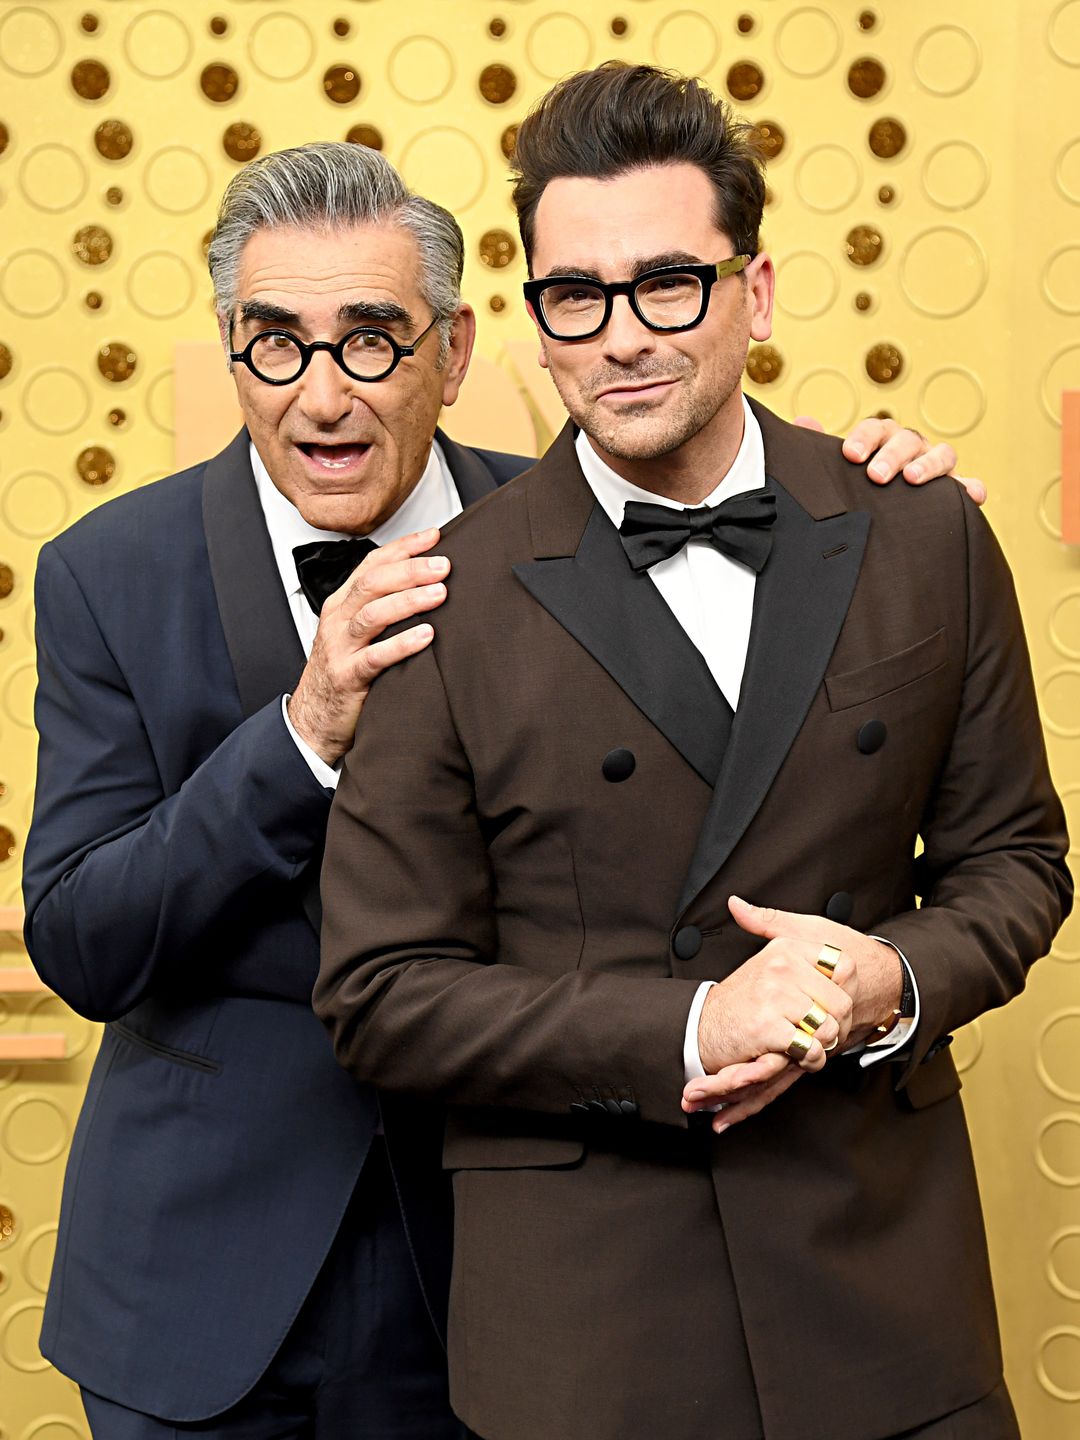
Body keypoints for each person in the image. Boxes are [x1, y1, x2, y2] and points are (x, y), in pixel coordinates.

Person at [22, 138, 964, 1436]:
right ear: (233, 350)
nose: (321, 396)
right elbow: (84, 941)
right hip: (195, 1288)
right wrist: (300, 737)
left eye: (371, 340)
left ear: (455, 350)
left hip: (518, 1271)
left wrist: (890, 513)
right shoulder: (106, 572)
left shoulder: (589, 531)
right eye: (275, 345)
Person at [315, 67, 1072, 1440]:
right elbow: (379, 993)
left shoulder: (923, 532)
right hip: (588, 1330)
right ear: (535, 321)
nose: (622, 338)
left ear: (755, 294)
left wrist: (886, 980)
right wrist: (687, 1027)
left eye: (668, 284)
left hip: (885, 1295)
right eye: (576, 296)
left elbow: (1016, 862)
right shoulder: (440, 598)